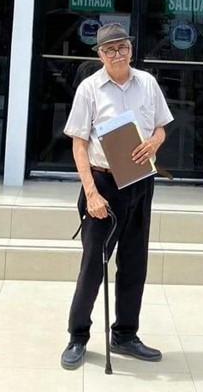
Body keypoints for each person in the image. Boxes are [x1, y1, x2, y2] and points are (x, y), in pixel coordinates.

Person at [60, 22, 174, 370]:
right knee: (93, 265)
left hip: (139, 182)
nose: (117, 54)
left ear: (131, 49)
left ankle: (125, 334)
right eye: (109, 49)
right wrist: (91, 193)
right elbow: (79, 143)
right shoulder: (90, 89)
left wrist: (155, 141)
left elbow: (161, 126)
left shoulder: (148, 84)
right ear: (99, 55)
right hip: (104, 184)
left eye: (122, 47)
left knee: (134, 264)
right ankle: (77, 337)